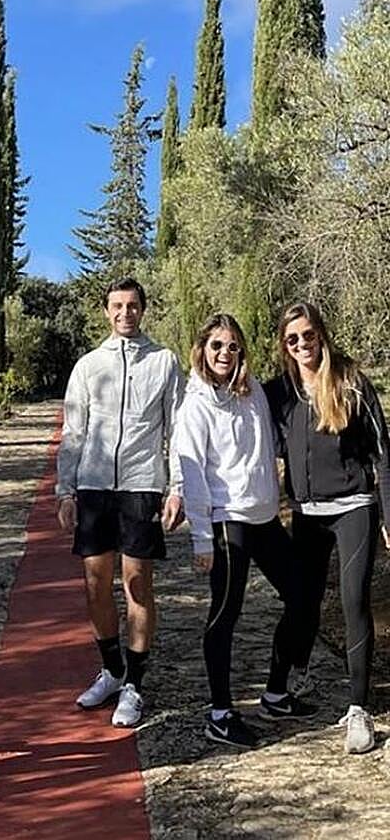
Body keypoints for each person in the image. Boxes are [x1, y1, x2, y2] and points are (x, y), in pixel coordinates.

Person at [178, 313, 316, 749]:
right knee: (225, 613)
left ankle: (276, 692)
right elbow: (192, 473)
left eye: (233, 346)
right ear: (203, 350)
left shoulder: (252, 390)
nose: (226, 353)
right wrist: (202, 537)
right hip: (226, 521)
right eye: (217, 345)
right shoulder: (195, 404)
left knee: (302, 596)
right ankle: (220, 713)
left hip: (264, 516)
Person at [57, 277, 184, 727]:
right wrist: (65, 489)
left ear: (143, 310)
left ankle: (135, 683)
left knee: (137, 585)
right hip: (94, 486)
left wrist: (177, 487)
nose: (125, 313)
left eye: (132, 305)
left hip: (141, 484)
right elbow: (74, 431)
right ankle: (110, 670)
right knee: (95, 584)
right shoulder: (89, 365)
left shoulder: (165, 361)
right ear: (106, 311)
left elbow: (178, 429)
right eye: (117, 306)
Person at [264, 302, 390, 754]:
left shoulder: (351, 382)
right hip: (306, 513)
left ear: (322, 334)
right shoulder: (278, 393)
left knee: (355, 600)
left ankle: (358, 709)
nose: (302, 345)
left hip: (355, 506)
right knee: (303, 601)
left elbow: (382, 453)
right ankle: (279, 686)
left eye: (309, 335)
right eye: (293, 339)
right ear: (284, 344)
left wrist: (389, 519)